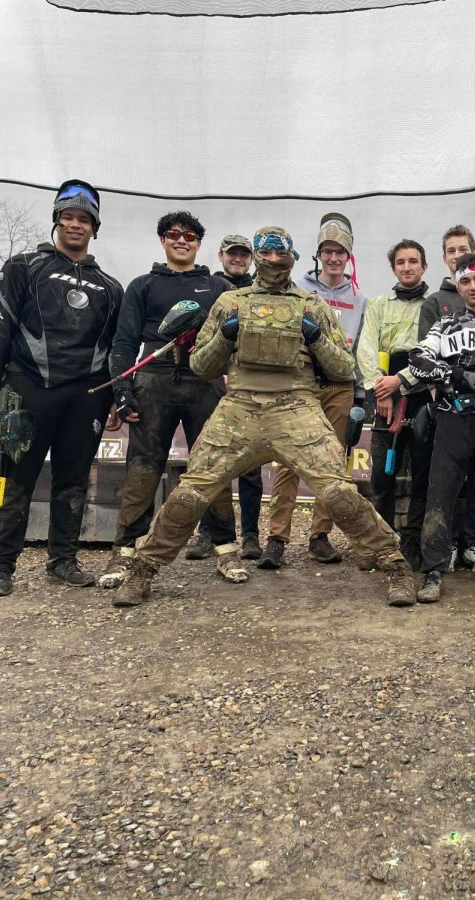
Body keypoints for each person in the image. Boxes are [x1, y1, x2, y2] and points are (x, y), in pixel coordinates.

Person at [111, 226, 414, 609]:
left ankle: (395, 565)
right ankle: (142, 569)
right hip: (240, 408)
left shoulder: (312, 306)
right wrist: (224, 335)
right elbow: (201, 365)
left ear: (293, 258)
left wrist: (315, 338)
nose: (273, 261)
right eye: (266, 254)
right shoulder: (229, 303)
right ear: (256, 257)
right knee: (190, 494)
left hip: (296, 407)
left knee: (339, 495)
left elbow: (341, 367)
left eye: (280, 255)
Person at [0, 179, 124, 597]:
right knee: (11, 477)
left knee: (73, 480)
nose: (76, 225)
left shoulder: (111, 287)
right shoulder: (23, 267)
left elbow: (115, 348)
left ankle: (63, 560)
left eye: (85, 219)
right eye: (69, 217)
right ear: (57, 220)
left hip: (86, 398)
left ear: (95, 227)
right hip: (26, 390)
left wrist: (113, 397)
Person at [98, 212, 239, 589]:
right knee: (143, 466)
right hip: (153, 380)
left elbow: (235, 343)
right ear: (162, 240)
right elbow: (124, 342)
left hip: (205, 380)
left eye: (189, 235)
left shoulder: (218, 286)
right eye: (173, 234)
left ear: (198, 242)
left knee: (214, 465)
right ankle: (124, 551)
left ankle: (225, 548)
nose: (181, 240)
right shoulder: (143, 286)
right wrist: (122, 390)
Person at [398, 253, 475, 603]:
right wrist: (454, 374)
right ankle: (433, 571)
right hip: (452, 416)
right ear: (457, 285)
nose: (472, 286)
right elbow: (418, 360)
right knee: (439, 493)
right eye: (465, 281)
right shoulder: (445, 325)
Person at [258, 213, 365, 569]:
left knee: (332, 461)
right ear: (318, 255)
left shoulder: (360, 299)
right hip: (300, 383)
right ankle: (276, 538)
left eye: (340, 252)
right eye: (327, 251)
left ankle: (320, 536)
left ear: (349, 256)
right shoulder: (299, 290)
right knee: (289, 459)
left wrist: (360, 392)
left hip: (339, 386)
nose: (333, 258)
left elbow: (360, 346)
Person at [419, 225, 475, 570]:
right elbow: (425, 357)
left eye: (463, 249)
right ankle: (443, 553)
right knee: (443, 485)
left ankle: (474, 546)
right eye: (452, 251)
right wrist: (445, 385)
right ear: (445, 259)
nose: (458, 256)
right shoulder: (436, 303)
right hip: (449, 407)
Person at [355, 239, 434, 570]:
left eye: (413, 261)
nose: (407, 267)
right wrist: (382, 390)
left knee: (421, 474)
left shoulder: (435, 304)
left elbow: (434, 352)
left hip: (423, 394)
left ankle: (413, 542)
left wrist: (402, 382)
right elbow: (366, 347)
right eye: (400, 262)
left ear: (424, 266)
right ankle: (381, 542)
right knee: (383, 475)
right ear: (393, 268)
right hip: (384, 395)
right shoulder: (377, 303)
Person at [211, 233, 266, 561]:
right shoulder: (210, 288)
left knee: (250, 466)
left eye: (244, 254)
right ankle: (210, 533)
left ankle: (250, 534)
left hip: (251, 388)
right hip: (215, 387)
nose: (238, 259)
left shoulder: (261, 291)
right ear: (221, 255)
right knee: (214, 463)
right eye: (233, 253)